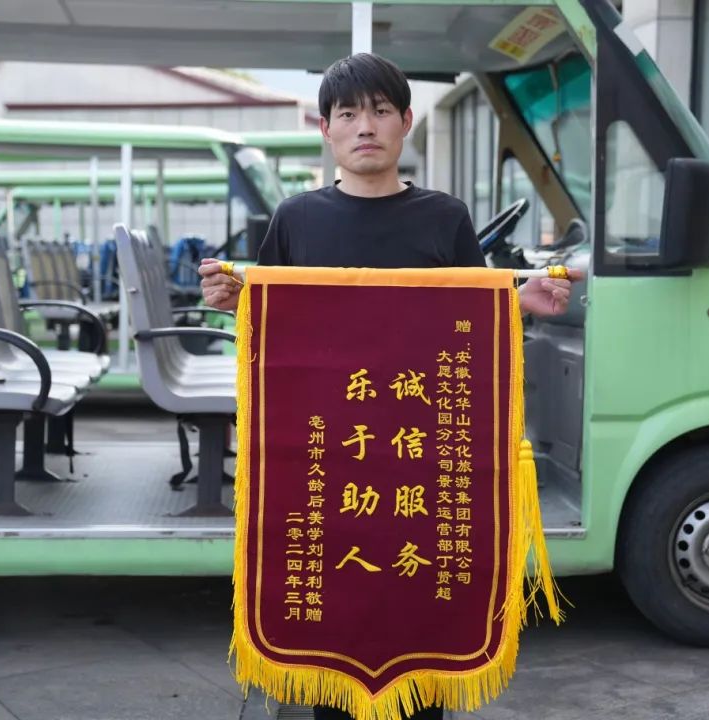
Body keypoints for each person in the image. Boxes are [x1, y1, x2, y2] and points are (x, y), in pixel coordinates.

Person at [200, 52, 579, 720]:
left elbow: (470, 319)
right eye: (348, 113)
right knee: (332, 621)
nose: (365, 126)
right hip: (326, 454)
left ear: (405, 121)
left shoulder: (444, 219)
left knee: (419, 617)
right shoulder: (296, 219)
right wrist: (236, 301)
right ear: (326, 129)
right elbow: (274, 328)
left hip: (418, 453)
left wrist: (520, 303)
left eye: (380, 111)